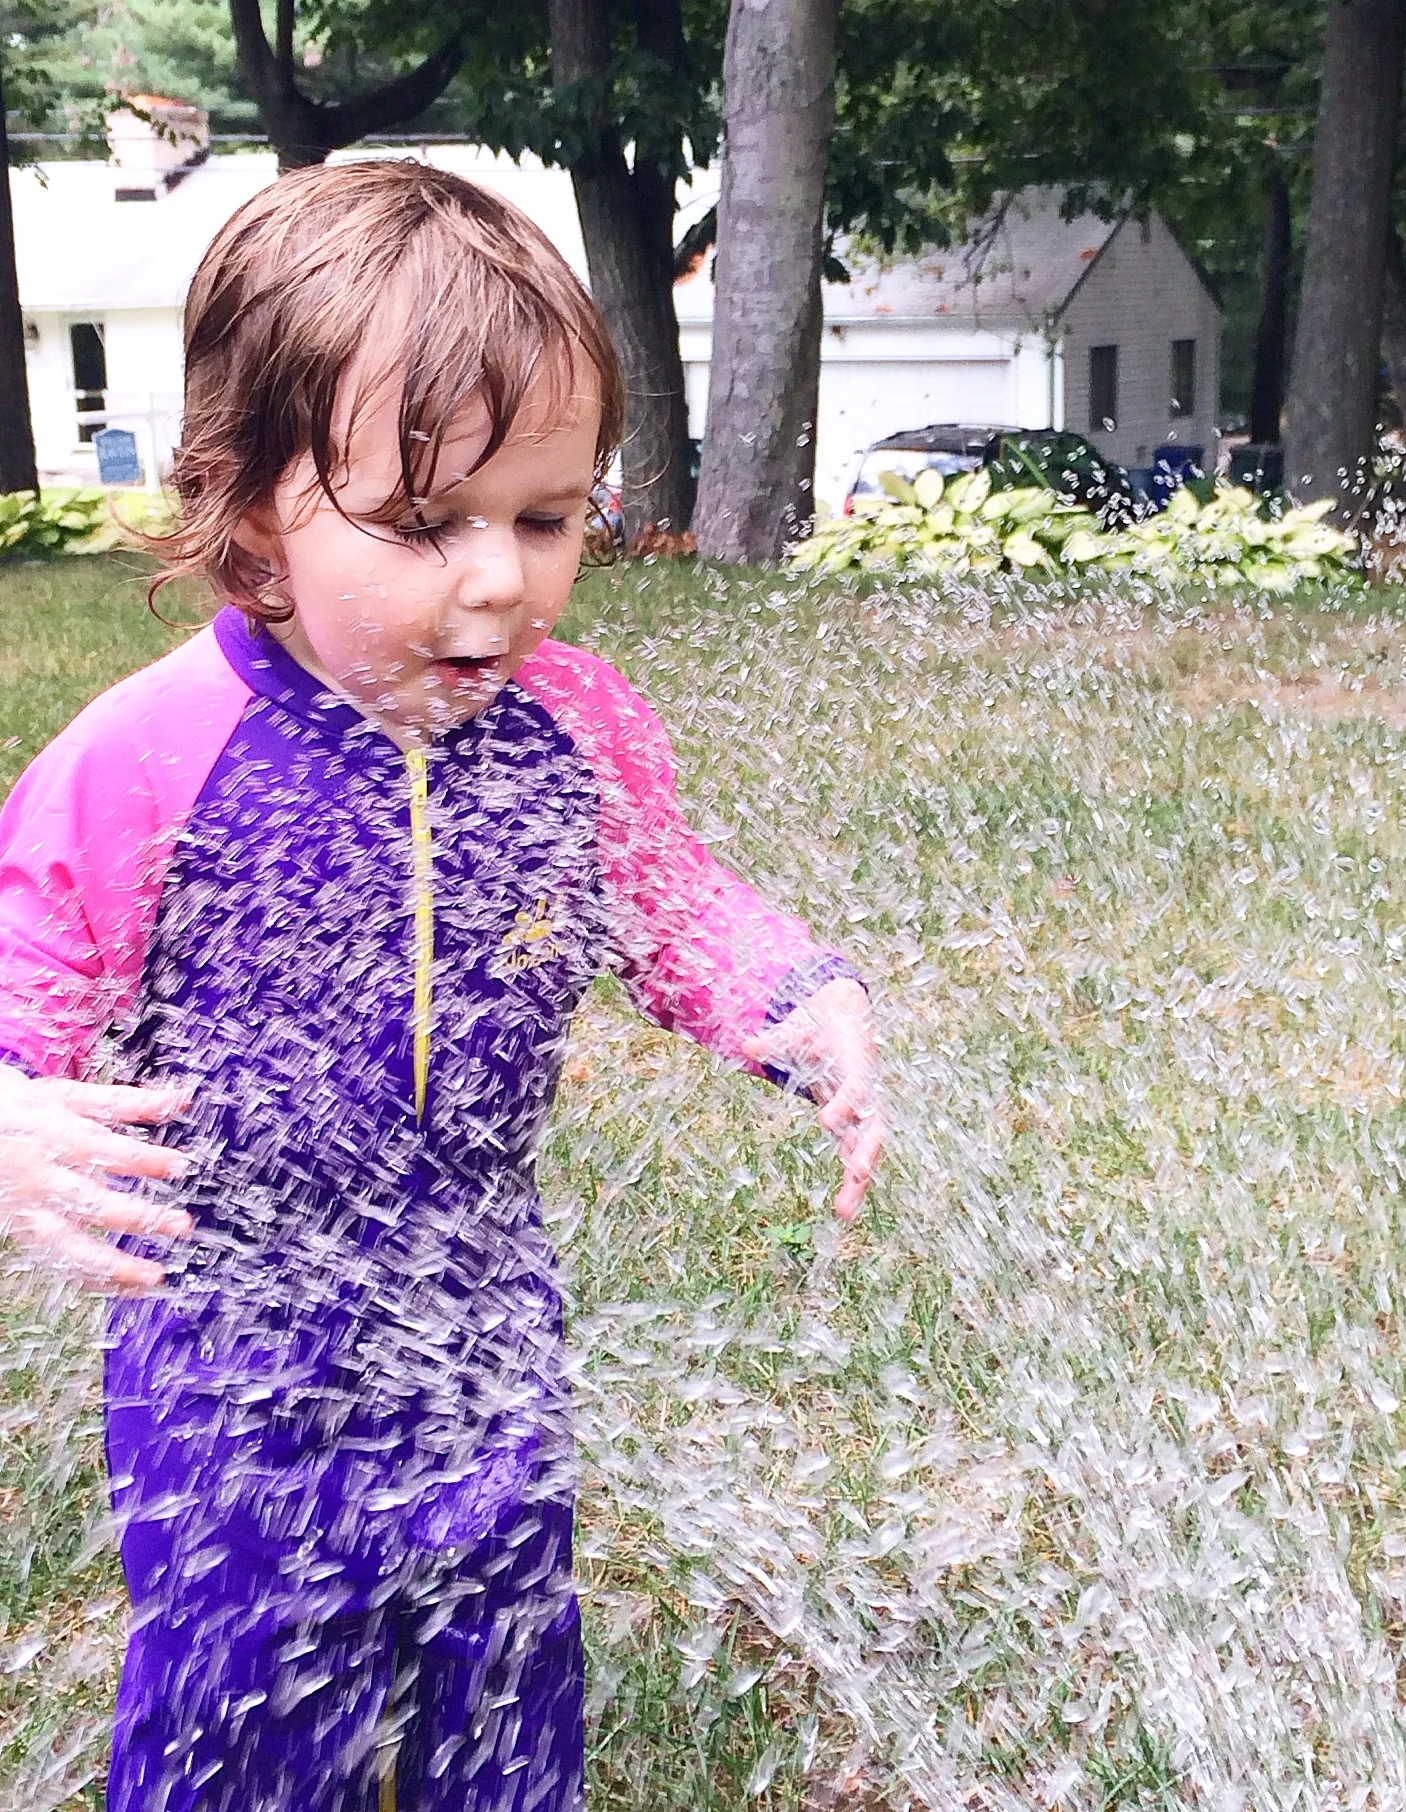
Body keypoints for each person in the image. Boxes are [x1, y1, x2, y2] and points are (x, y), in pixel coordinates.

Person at [0, 160, 881, 1811]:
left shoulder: (571, 724)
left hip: (480, 1283)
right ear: (255, 507)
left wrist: (789, 997)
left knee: (506, 1658)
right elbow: (20, 966)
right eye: (424, 525)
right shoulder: (155, 751)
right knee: (247, 1689)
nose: (498, 581)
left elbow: (662, 898)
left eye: (545, 519)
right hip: (231, 1323)